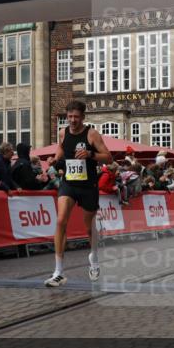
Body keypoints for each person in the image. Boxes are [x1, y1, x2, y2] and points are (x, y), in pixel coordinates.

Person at [45, 100, 111, 287]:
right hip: (69, 184)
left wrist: (91, 155)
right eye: (70, 116)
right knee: (60, 221)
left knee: (88, 228)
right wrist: (54, 159)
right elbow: (61, 150)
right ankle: (58, 271)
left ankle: (94, 256)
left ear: (83, 117)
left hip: (88, 185)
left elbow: (108, 157)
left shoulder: (92, 134)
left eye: (76, 117)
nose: (72, 120)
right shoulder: (62, 132)